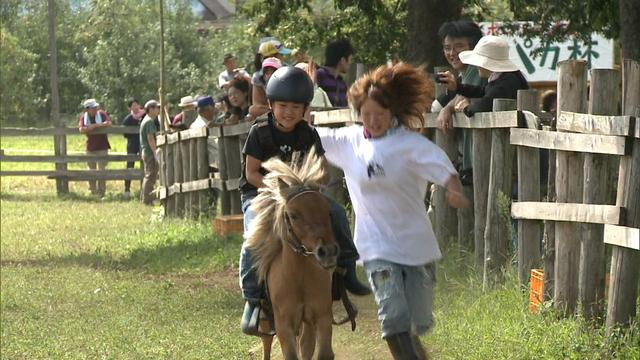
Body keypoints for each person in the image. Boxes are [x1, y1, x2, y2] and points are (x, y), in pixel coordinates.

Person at [316, 63, 470, 359]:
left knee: (418, 321)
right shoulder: (350, 141)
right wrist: (280, 119)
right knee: (393, 314)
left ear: (393, 112)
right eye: (366, 115)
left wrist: (453, 189)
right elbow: (311, 134)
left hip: (416, 246)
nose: (372, 121)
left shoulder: (410, 144)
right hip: (377, 248)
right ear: (358, 113)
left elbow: (442, 167)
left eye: (380, 115)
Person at [239, 66, 371, 337]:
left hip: (300, 195)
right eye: (283, 105)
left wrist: (310, 186)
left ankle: (345, 269)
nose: (289, 112)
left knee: (336, 213)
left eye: (296, 107)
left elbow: (322, 169)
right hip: (262, 194)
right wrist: (276, 189)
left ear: (304, 109)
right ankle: (253, 298)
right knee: (252, 237)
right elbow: (251, 173)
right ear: (271, 105)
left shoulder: (308, 133)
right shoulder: (260, 132)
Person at [432, 21, 484, 184]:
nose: (452, 53)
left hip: (483, 162)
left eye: (459, 46)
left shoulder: (480, 71)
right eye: (447, 48)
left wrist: (447, 108)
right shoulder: (463, 75)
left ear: (475, 47)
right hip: (472, 161)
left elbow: (467, 97)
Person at [437, 35, 529, 122]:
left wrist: (466, 107)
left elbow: (485, 104)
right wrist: (457, 87)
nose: (476, 66)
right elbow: (481, 91)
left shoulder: (505, 82)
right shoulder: (502, 78)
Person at [78, 98, 112, 197]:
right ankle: (93, 191)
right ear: (87, 109)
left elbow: (109, 123)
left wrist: (93, 127)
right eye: (93, 108)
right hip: (90, 147)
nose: (96, 109)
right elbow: (81, 129)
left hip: (102, 146)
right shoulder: (83, 117)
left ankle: (102, 192)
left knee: (102, 170)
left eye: (96, 107)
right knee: (91, 170)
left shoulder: (101, 114)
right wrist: (98, 125)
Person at [316, 39, 353, 107]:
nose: (350, 63)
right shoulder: (319, 76)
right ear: (342, 60)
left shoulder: (342, 83)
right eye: (350, 59)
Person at [121, 99, 144, 199]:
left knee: (145, 164)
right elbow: (125, 133)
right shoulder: (128, 119)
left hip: (143, 144)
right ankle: (127, 189)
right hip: (132, 144)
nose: (135, 107)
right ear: (129, 108)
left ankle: (145, 188)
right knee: (130, 165)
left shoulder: (144, 116)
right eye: (133, 105)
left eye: (137, 104)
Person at [139, 100, 160, 205]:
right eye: (157, 107)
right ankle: (147, 199)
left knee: (149, 175)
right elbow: (150, 138)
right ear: (151, 109)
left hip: (146, 151)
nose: (158, 110)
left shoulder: (147, 120)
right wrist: (155, 153)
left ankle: (145, 198)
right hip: (149, 152)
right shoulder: (149, 122)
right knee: (150, 176)